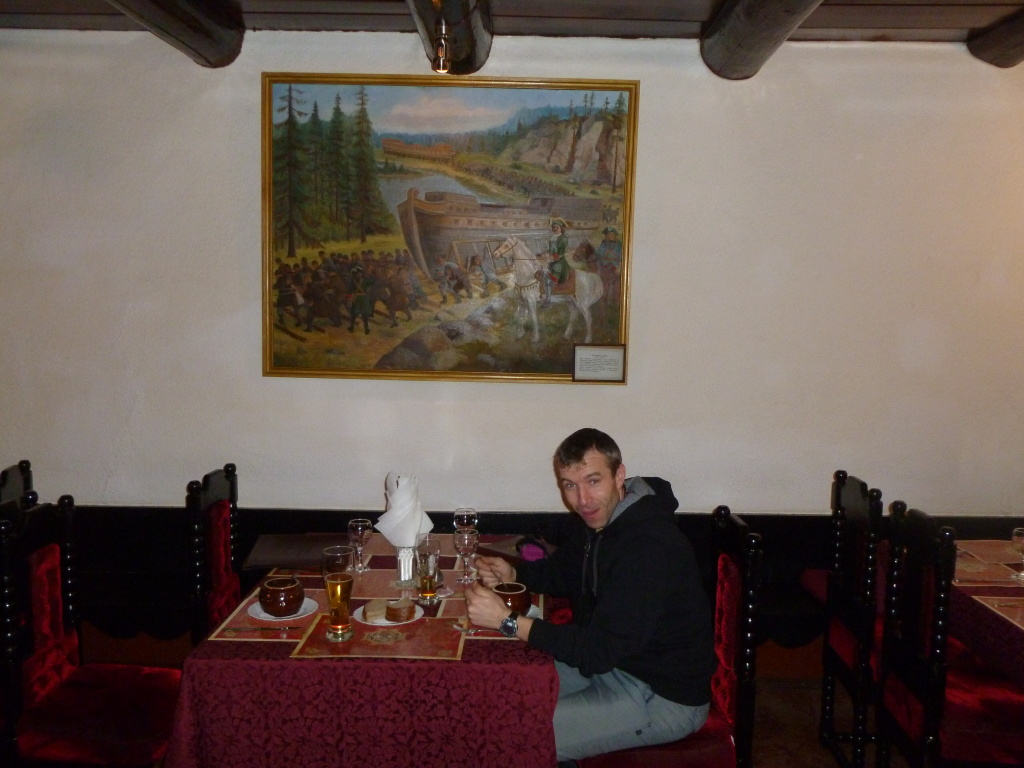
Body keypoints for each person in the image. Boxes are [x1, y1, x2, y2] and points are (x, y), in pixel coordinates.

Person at [465, 428, 715, 765]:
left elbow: (598, 650)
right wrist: (515, 574)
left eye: (593, 481)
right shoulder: (602, 521)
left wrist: (508, 622)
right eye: (570, 485)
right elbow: (561, 573)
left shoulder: (649, 547)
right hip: (612, 665)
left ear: (619, 475)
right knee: (501, 692)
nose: (582, 499)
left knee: (514, 735)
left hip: (661, 694)